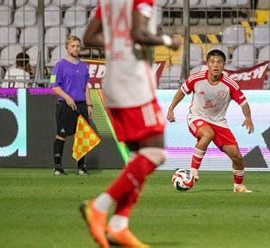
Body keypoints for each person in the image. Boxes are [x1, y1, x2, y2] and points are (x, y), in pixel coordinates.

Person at [80, 0, 181, 247]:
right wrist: (170, 42)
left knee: (138, 158)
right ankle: (99, 206)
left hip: (113, 80)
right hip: (134, 83)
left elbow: (89, 37)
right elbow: (139, 33)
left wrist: (118, 46)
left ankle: (118, 226)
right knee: (156, 153)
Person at [167, 49, 255, 193]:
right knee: (207, 134)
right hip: (197, 117)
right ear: (207, 63)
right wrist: (171, 109)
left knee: (237, 156)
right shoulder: (196, 78)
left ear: (224, 65)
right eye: (212, 62)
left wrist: (248, 117)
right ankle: (193, 171)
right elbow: (182, 91)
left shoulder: (230, 85)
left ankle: (238, 185)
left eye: (219, 62)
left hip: (219, 121)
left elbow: (244, 103)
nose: (215, 65)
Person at [51, 35, 93, 176]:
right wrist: (67, 97)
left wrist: (89, 104)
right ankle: (58, 167)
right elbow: (54, 86)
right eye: (73, 46)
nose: (75, 48)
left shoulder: (83, 66)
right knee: (62, 135)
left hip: (81, 105)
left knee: (82, 136)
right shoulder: (60, 65)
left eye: (77, 46)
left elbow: (86, 86)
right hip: (65, 105)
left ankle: (81, 168)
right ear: (67, 48)